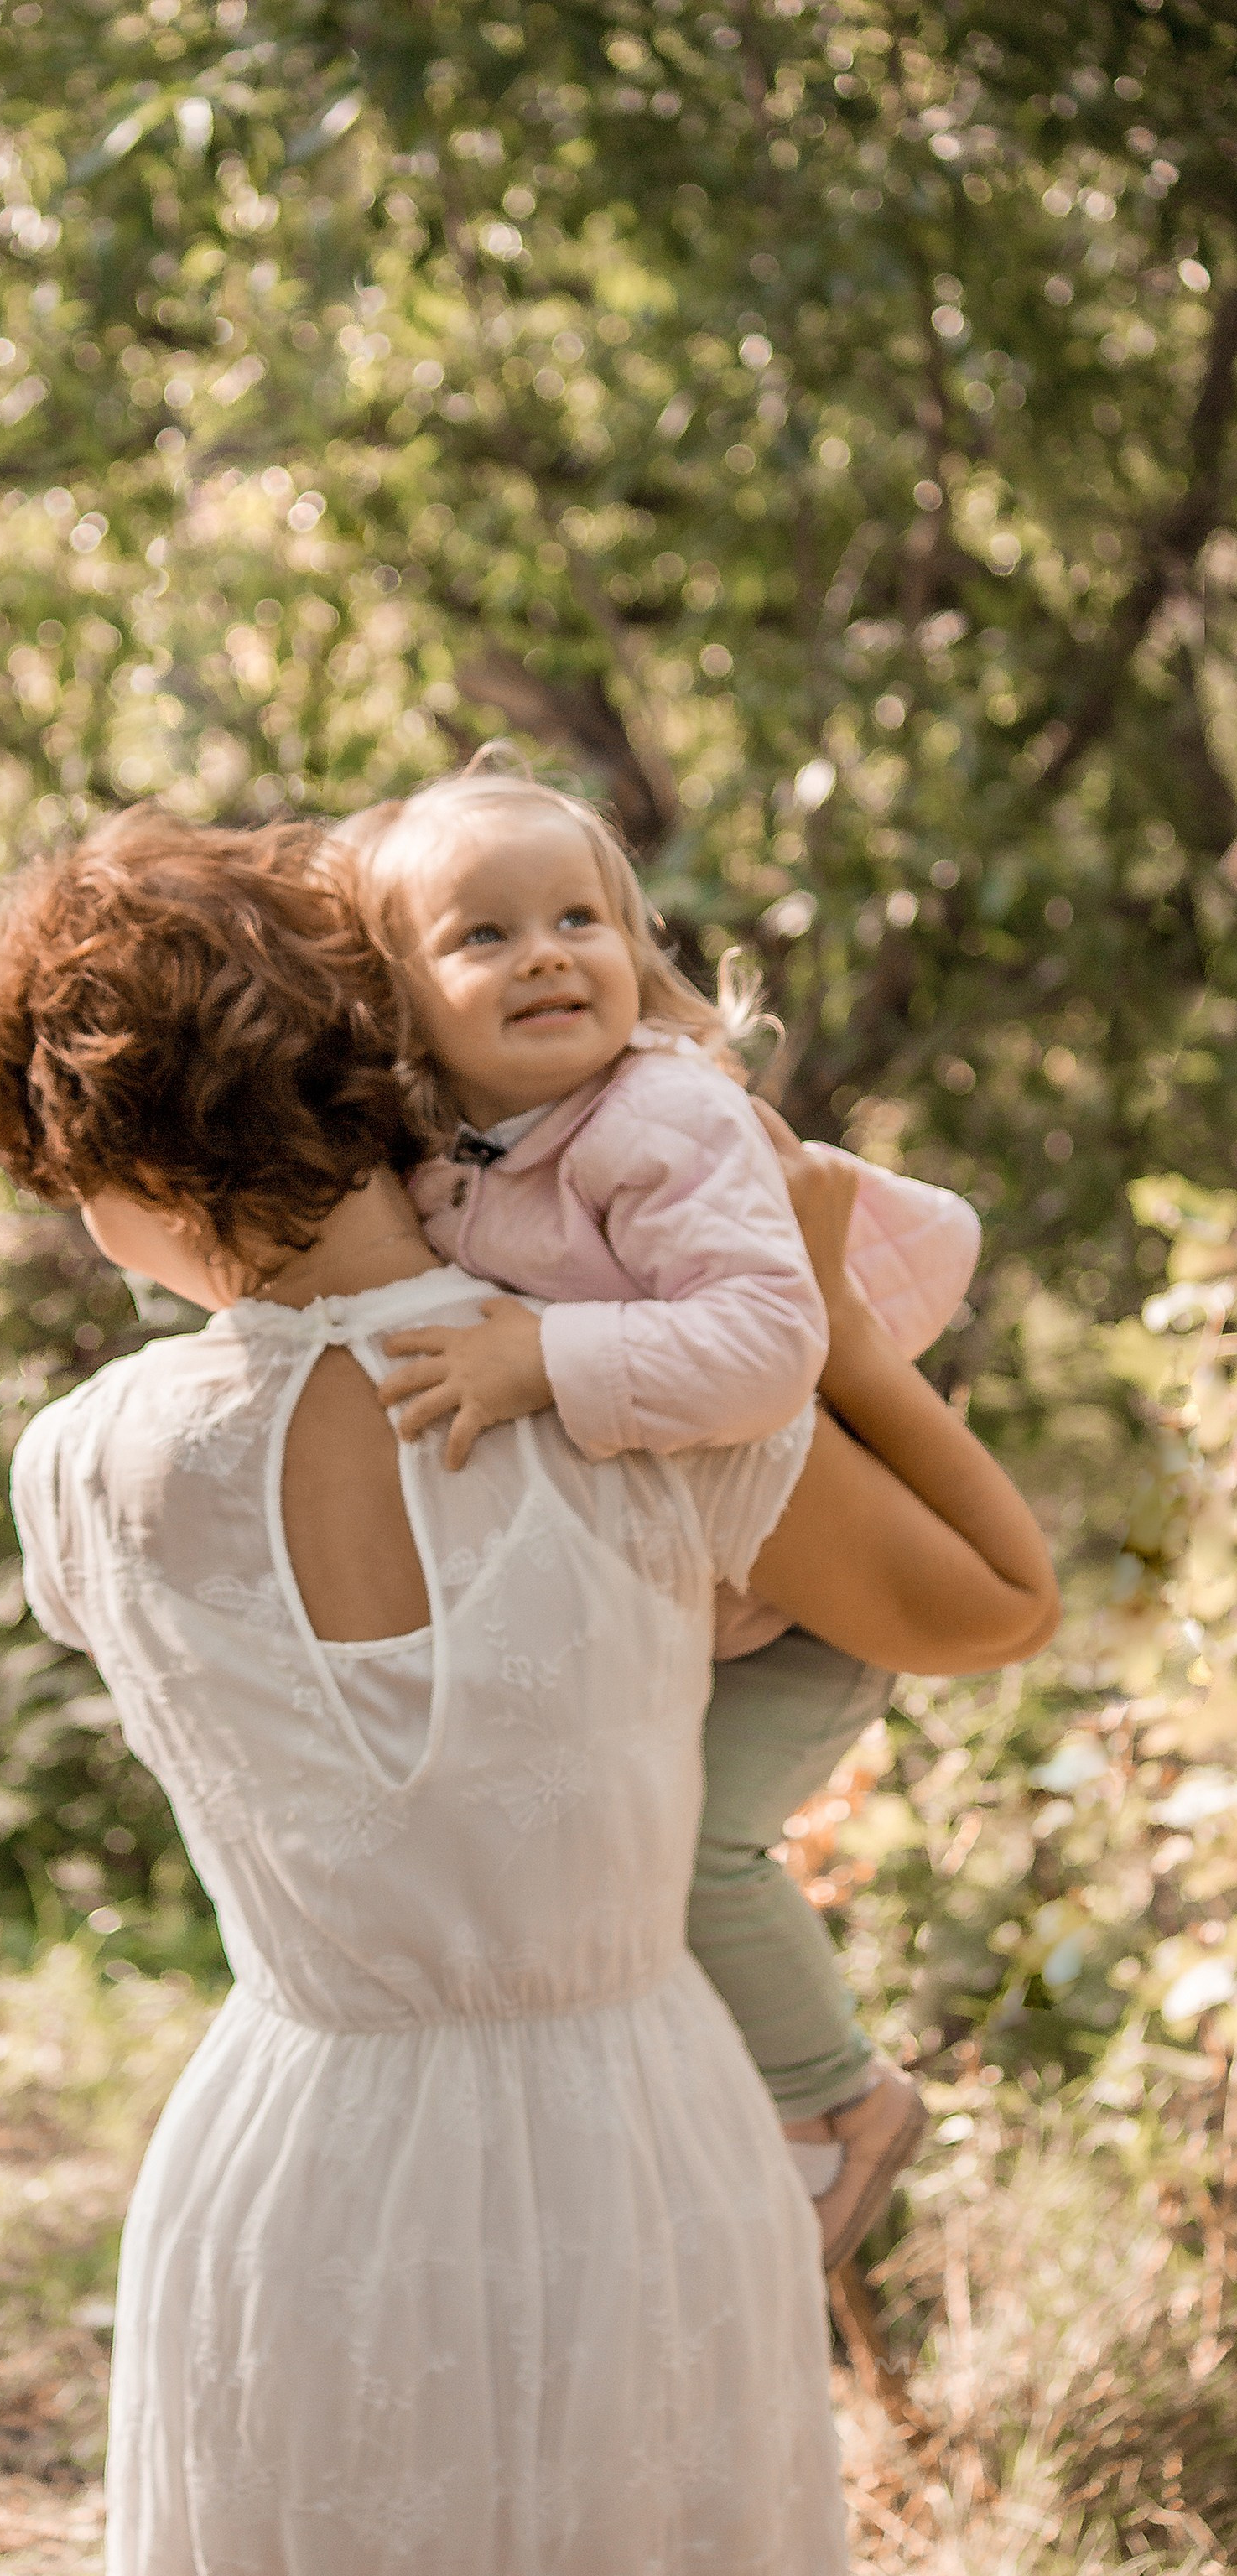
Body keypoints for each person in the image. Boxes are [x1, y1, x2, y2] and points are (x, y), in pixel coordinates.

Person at [0, 809, 1058, 2576]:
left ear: (132, 1176)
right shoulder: (626, 1396)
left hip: (291, 2167)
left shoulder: (79, 1470)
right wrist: (827, 1323)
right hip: (638, 2148)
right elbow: (994, 1606)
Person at [320, 762, 982, 2262]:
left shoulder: (661, 1117)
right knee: (601, 1851)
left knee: (691, 1858)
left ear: (638, 950)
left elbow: (770, 1343)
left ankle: (844, 2104)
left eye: (578, 918)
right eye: (483, 937)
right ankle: (723, 2125)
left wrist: (542, 1358)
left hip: (817, 1601)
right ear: (401, 1005)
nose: (547, 951)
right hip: (711, 1583)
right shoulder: (449, 1163)